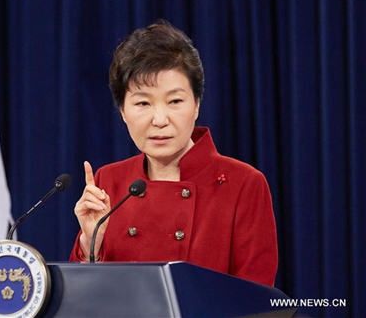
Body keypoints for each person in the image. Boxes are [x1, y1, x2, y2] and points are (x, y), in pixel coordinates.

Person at [69, 20, 278, 287]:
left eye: (175, 101)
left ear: (197, 105)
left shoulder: (244, 183)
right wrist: (91, 244)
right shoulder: (108, 180)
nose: (159, 119)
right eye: (143, 103)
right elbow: (83, 298)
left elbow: (256, 300)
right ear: (123, 111)